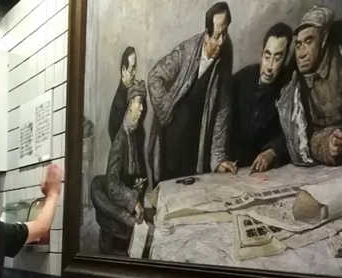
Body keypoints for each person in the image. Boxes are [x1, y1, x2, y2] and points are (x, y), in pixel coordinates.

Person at [147, 2, 235, 183]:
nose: (222, 41)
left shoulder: (225, 54)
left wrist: (218, 158)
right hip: (171, 140)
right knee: (166, 185)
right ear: (206, 35)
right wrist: (166, 113)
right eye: (217, 36)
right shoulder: (187, 51)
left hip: (196, 142)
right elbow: (154, 77)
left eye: (225, 33)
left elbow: (223, 110)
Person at [277, 6, 342, 166]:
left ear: (323, 40)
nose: (302, 53)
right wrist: (328, 146)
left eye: (309, 41)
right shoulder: (294, 86)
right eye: (298, 45)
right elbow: (305, 138)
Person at [229, 23, 293, 173]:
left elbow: (293, 131)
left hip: (266, 172)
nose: (269, 66)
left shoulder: (289, 85)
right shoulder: (239, 80)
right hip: (233, 168)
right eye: (267, 56)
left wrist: (272, 151)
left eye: (277, 58)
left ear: (285, 59)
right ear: (261, 55)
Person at [106, 81, 148, 229]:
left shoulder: (136, 133)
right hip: (121, 211)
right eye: (139, 103)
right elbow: (112, 184)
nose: (142, 108)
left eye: (143, 103)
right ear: (130, 105)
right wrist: (133, 201)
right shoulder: (120, 141)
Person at [109, 46, 138, 142]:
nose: (134, 73)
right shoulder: (119, 103)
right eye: (131, 69)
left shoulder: (130, 90)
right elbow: (116, 137)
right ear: (123, 70)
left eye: (135, 68)